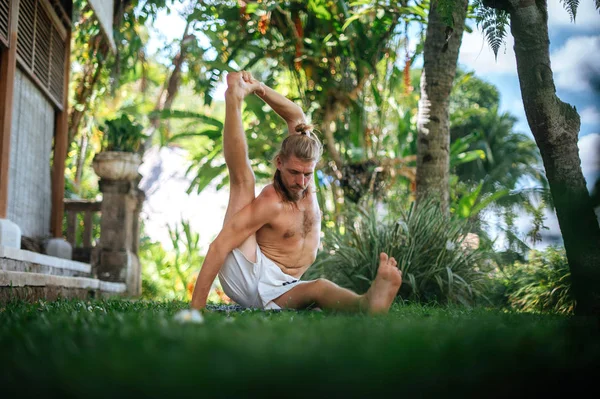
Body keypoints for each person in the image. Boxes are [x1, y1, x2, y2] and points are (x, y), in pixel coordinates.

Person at [190, 71, 402, 313]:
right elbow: (218, 246)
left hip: (286, 285)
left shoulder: (304, 176)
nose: (301, 181)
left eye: (307, 174)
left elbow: (297, 117)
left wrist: (259, 87)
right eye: (293, 172)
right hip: (250, 276)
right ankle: (233, 98)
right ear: (279, 163)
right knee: (243, 181)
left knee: (318, 288)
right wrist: (196, 307)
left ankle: (367, 304)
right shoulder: (272, 201)